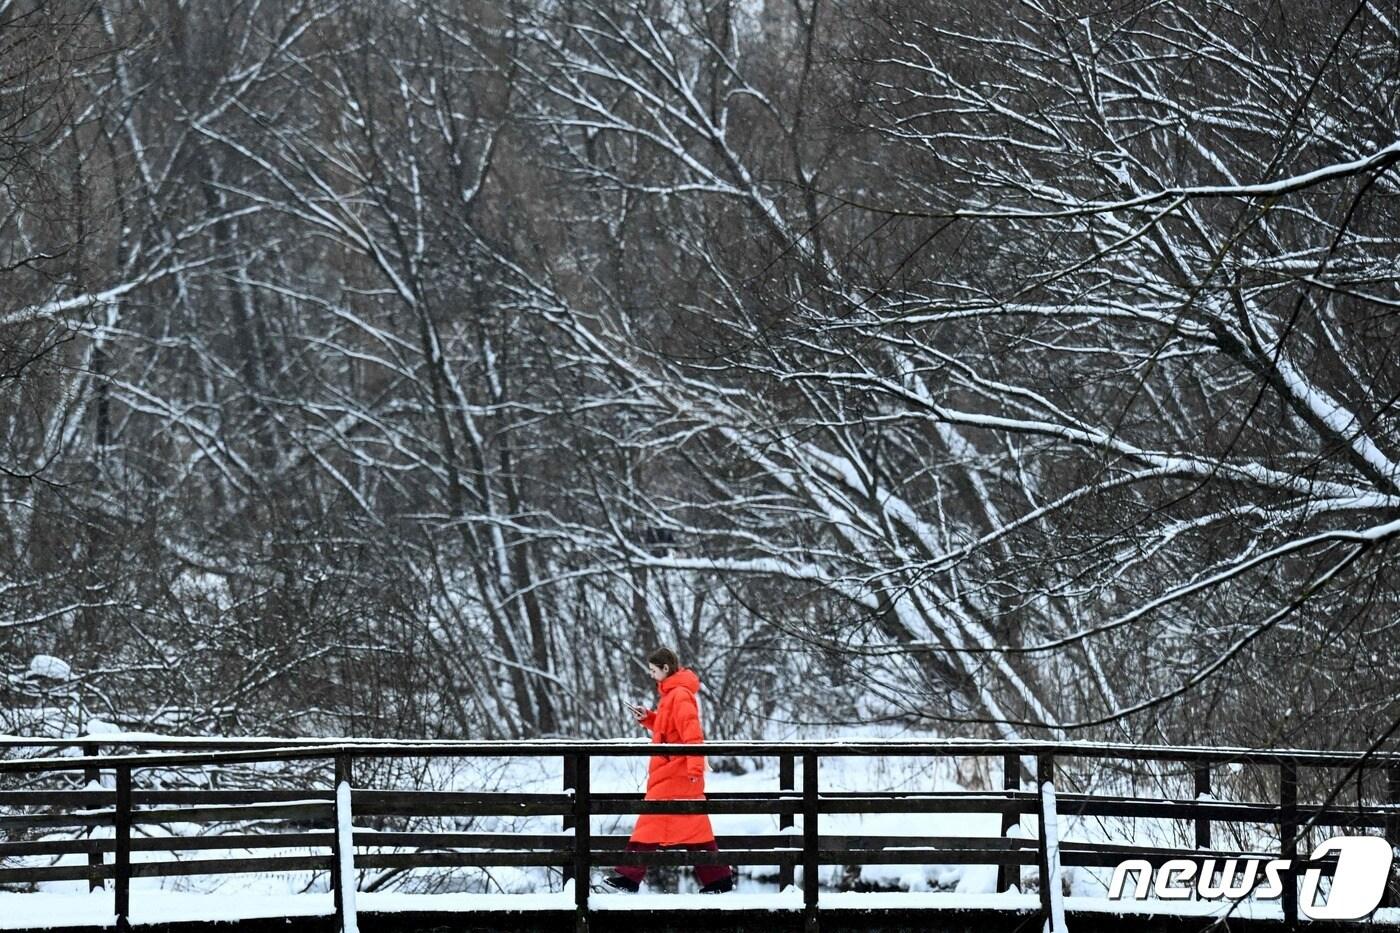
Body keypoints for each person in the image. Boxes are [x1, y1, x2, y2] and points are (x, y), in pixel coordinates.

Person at [603, 647, 734, 894]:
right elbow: (669, 729)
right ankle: (719, 880)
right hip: (674, 772)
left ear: (665, 668)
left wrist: (696, 766)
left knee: (651, 822)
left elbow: (692, 733)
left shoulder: (680, 695)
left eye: (654, 670)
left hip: (678, 772)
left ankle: (629, 877)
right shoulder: (671, 695)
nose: (652, 675)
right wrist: (649, 718)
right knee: (694, 828)